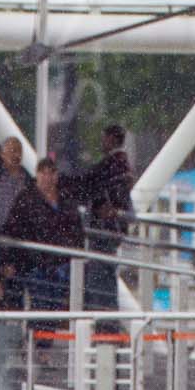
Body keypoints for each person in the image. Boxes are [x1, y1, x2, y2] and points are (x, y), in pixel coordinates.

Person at [3, 156, 85, 314]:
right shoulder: (26, 199)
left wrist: (76, 252)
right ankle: (41, 336)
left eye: (51, 173)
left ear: (56, 176)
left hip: (62, 263)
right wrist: (10, 260)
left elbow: (76, 229)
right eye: (43, 173)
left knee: (58, 304)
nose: (47, 178)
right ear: (37, 175)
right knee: (42, 305)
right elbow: (12, 229)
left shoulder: (66, 199)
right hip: (35, 263)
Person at [75, 124, 134, 310]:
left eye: (104, 138)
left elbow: (89, 183)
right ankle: (107, 319)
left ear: (112, 139)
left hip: (104, 229)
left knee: (99, 277)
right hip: (110, 230)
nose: (102, 142)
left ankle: (104, 320)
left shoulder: (112, 164)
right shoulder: (121, 165)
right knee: (105, 275)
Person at [0, 136, 34, 271]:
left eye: (18, 151)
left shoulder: (28, 181)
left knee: (15, 283)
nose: (15, 155)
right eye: (11, 151)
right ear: (2, 154)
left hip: (19, 241)